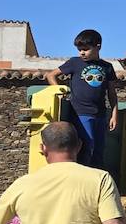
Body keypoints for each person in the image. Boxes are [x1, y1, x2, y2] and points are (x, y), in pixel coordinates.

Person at [45, 29, 120, 170]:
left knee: (99, 150)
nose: (82, 53)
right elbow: (51, 75)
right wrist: (60, 91)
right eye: (79, 50)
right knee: (86, 147)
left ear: (98, 46)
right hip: (81, 113)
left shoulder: (107, 67)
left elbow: (112, 93)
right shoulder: (74, 63)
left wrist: (114, 115)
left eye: (86, 49)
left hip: (101, 115)